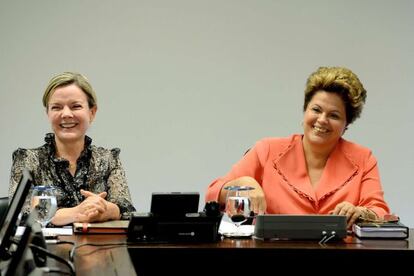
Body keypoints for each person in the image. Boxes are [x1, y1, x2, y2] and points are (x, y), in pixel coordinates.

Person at [205, 66, 390, 228]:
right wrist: (243, 184)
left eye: (334, 115)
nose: (322, 120)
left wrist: (360, 212)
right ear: (305, 111)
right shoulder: (267, 150)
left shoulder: (363, 158)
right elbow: (213, 194)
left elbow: (379, 210)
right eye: (316, 110)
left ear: (346, 125)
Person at [8, 72, 136, 226]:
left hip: (100, 249)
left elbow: (126, 210)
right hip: (44, 249)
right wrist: (78, 212)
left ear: (92, 112)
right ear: (47, 113)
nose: (66, 114)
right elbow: (21, 216)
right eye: (56, 107)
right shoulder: (27, 160)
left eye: (76, 106)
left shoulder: (108, 159)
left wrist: (104, 209)